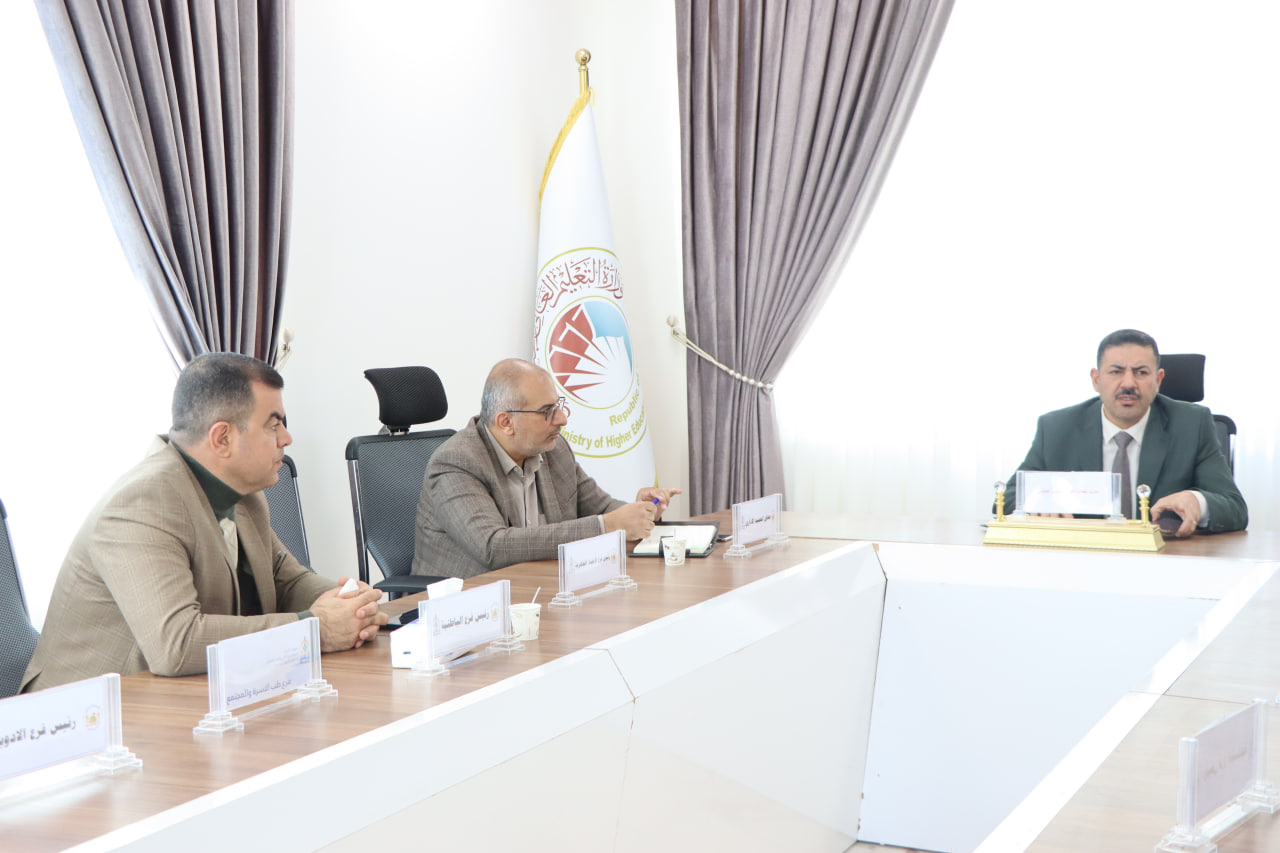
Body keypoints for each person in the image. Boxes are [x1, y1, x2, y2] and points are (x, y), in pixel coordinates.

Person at [21, 353, 386, 692]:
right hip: (86, 715)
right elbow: (177, 644)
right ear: (222, 438)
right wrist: (315, 629)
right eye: (274, 425)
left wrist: (353, 607)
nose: (286, 439)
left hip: (179, 699)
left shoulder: (245, 494)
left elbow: (285, 579)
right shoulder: (142, 504)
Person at [412, 358, 681, 578]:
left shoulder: (553, 449)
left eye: (558, 406)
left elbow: (601, 509)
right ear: (506, 422)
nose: (562, 419)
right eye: (547, 411)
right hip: (463, 606)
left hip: (539, 591)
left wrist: (640, 511)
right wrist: (607, 526)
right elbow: (493, 546)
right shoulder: (456, 463)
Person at [1000, 329, 1247, 537]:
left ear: (1159, 380)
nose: (1128, 383)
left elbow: (1235, 509)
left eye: (1141, 372)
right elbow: (1007, 498)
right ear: (1096, 380)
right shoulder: (1057, 427)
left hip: (1166, 562)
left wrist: (1198, 502)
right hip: (1083, 561)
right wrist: (1041, 501)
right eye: (1116, 371)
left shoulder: (1192, 425)